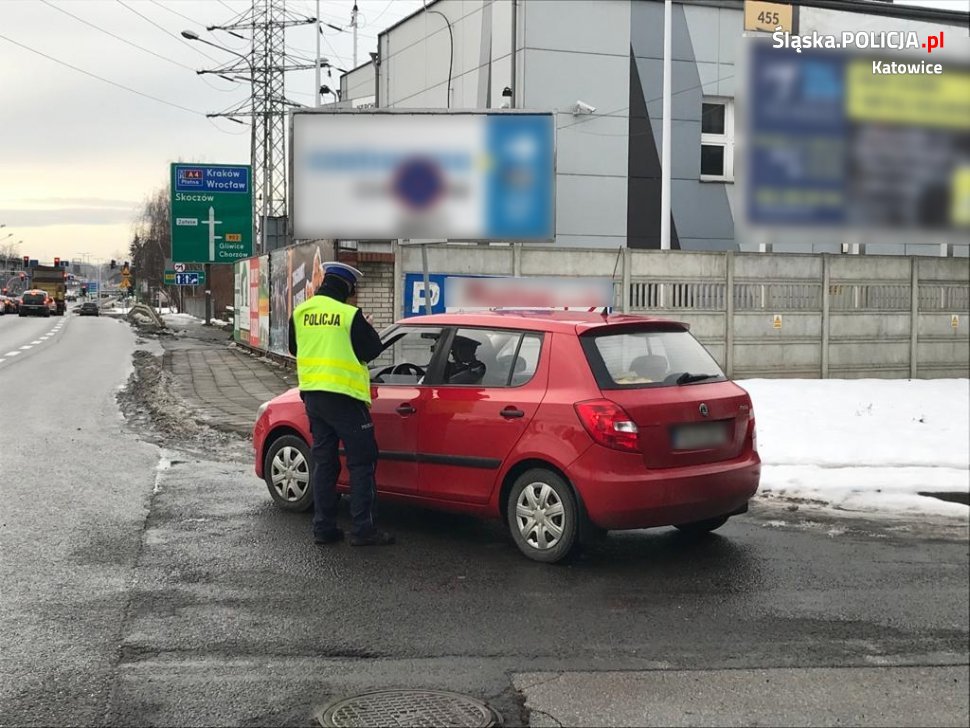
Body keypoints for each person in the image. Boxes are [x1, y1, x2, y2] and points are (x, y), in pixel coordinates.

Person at [288, 262, 394, 547]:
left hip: (313, 397)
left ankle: (323, 528)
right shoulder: (349, 315)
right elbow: (372, 350)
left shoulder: (301, 313)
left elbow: (295, 349)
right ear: (347, 287)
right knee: (362, 462)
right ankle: (363, 530)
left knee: (325, 462)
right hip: (345, 398)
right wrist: (366, 328)